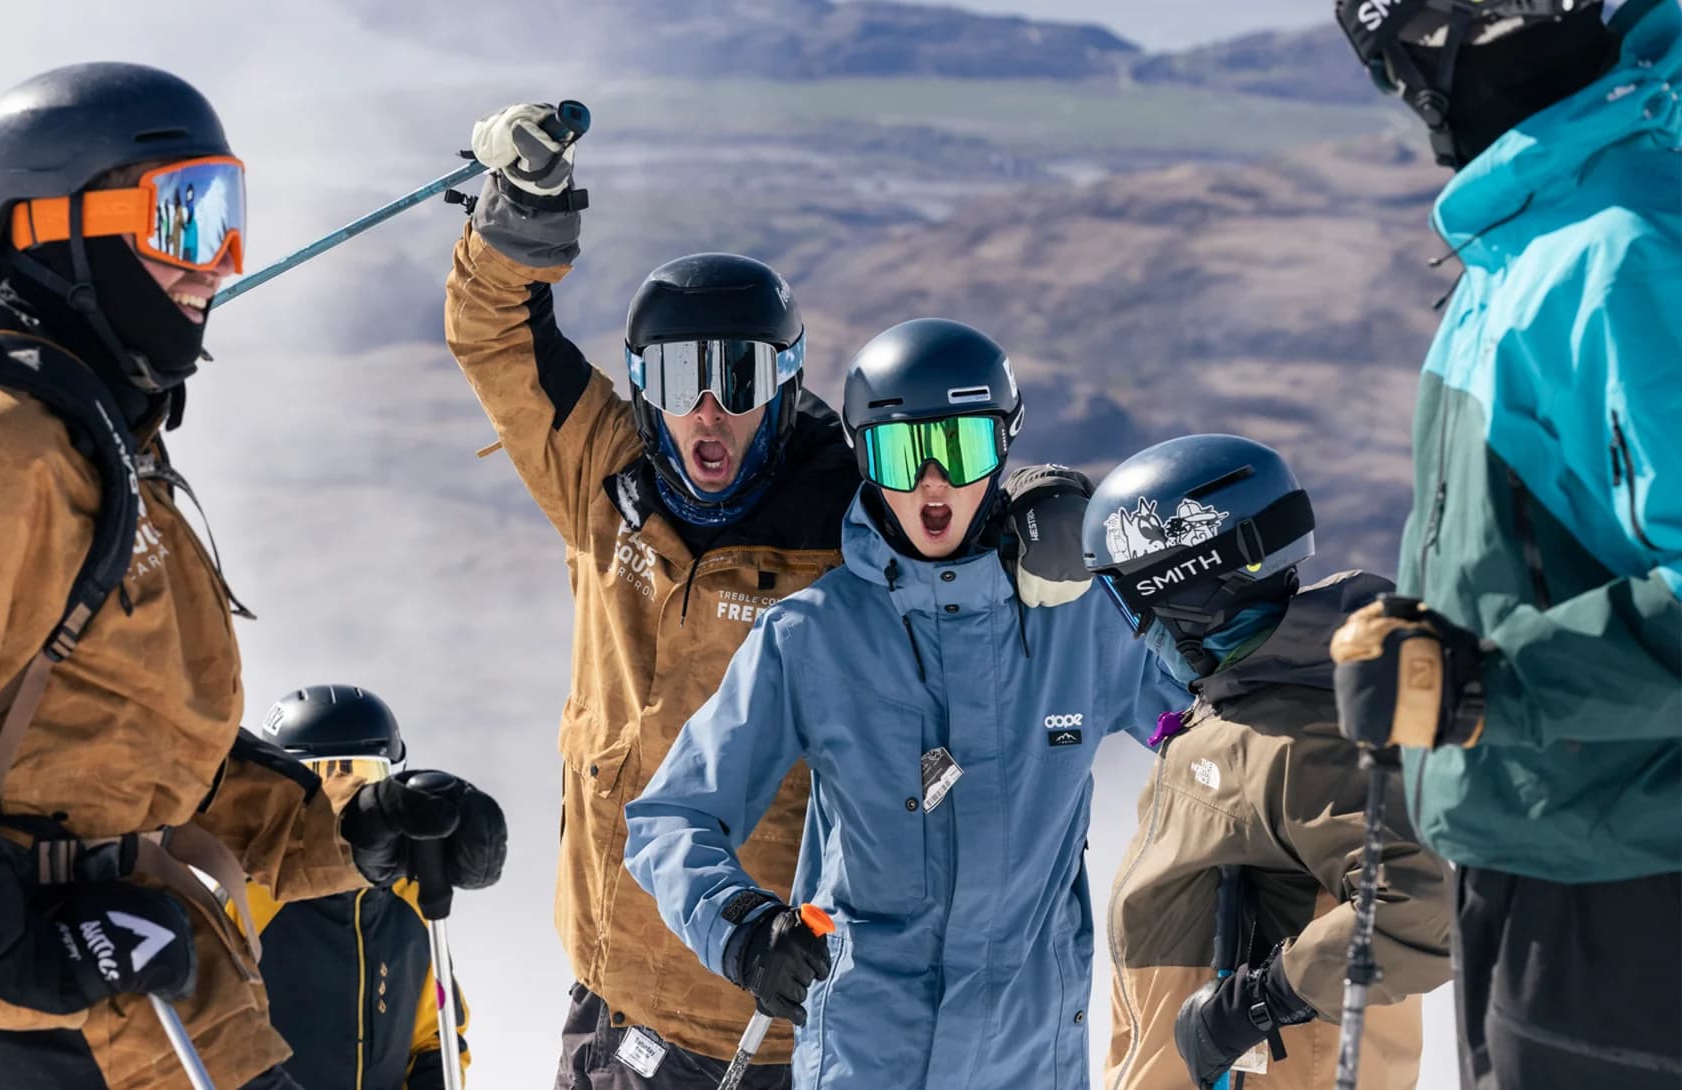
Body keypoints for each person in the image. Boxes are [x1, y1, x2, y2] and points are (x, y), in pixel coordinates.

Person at [0, 62, 503, 1090]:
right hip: (30, 1012)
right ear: (57, 222)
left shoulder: (87, 427)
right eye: (183, 218)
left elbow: (131, 743)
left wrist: (356, 836)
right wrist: (33, 961)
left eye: (226, 219)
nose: (211, 265)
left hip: (144, 980)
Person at [623, 318, 1189, 1090]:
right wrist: (747, 932)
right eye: (899, 453)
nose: (932, 484)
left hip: (1029, 1061)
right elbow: (673, 818)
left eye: (961, 451)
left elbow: (1212, 726)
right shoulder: (814, 639)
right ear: (864, 458)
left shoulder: (1077, 621)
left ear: (1006, 446)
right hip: (867, 1057)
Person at [445, 101, 859, 1088]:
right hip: (611, 990)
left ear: (789, 383)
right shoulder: (606, 477)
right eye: (678, 377)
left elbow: (960, 524)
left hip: (768, 1018)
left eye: (740, 376)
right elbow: (498, 337)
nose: (707, 408)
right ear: (641, 384)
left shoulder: (849, 532)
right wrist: (525, 210)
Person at [1330, 2, 1682, 1087]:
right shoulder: (1531, 237)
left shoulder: (1624, 245)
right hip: (1544, 847)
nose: (1397, 83)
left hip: (1629, 889)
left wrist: (1487, 684)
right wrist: (1436, 639)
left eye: (1392, 50)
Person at [1082, 434, 1452, 1090]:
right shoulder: (1236, 713)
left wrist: (1267, 998)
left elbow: (1422, 906)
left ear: (1180, 590)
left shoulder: (1304, 731)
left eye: (1127, 601)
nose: (1134, 629)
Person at [233, 685, 482, 1090]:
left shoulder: (411, 902)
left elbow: (435, 1034)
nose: (343, 802)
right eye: (320, 782)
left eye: (364, 779)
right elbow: (210, 1034)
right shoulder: (250, 900)